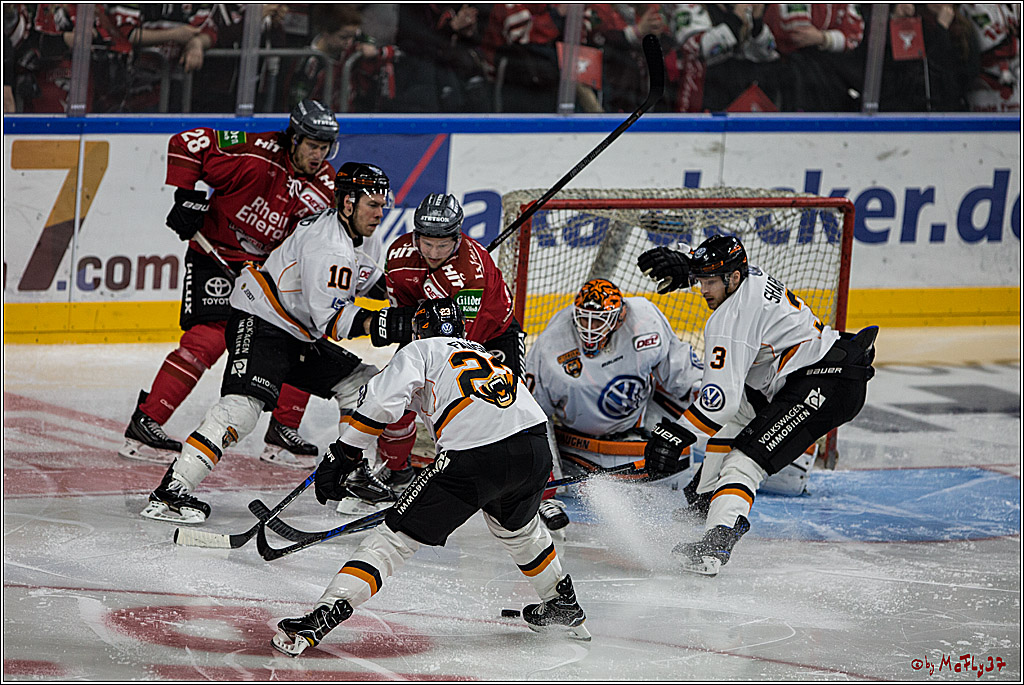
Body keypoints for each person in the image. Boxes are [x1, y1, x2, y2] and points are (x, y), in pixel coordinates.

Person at [271, 297, 590, 657]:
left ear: (419, 330)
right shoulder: (484, 354)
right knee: (518, 530)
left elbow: (380, 404)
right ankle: (561, 603)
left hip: (474, 454)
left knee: (394, 538)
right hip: (535, 447)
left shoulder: (420, 350)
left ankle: (322, 615)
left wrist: (343, 453)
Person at [140, 161, 407, 525]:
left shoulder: (358, 232)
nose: (380, 213)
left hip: (294, 331)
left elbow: (374, 282)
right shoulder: (327, 246)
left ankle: (349, 477)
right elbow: (333, 321)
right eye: (372, 205)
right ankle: (172, 492)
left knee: (362, 384)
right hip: (262, 322)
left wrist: (413, 304)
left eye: (381, 205)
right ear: (348, 203)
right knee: (240, 411)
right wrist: (394, 324)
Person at [637, 235, 876, 576]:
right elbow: (728, 410)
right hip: (815, 371)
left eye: (709, 282)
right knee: (735, 421)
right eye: (701, 280)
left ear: (733, 278)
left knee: (744, 462)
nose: (703, 290)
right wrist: (690, 265)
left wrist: (677, 435)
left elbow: (719, 402)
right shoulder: (748, 276)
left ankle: (716, 542)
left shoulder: (730, 320)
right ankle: (706, 498)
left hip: (826, 384)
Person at [120, 99, 338, 470]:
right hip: (214, 256)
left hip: (263, 273)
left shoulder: (324, 186)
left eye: (325, 148)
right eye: (313, 146)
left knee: (298, 336)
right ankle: (146, 422)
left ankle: (282, 430)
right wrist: (186, 195)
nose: (318, 155)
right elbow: (188, 142)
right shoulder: (252, 152)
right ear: (294, 138)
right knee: (208, 339)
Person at [336, 192, 528, 517]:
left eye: (443, 245)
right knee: (396, 400)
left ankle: (533, 490)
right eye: (427, 244)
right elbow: (407, 315)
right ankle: (397, 472)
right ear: (415, 237)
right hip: (428, 333)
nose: (434, 253)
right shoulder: (398, 256)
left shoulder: (470, 272)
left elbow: (457, 341)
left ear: (458, 238)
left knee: (510, 409)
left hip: (491, 335)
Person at [524, 278, 704, 529]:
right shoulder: (551, 345)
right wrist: (545, 479)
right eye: (583, 319)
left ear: (619, 318)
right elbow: (534, 415)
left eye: (598, 321)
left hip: (638, 419)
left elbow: (681, 375)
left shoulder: (645, 321)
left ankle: (714, 470)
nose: (589, 329)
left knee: (703, 407)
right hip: (578, 443)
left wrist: (712, 411)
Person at [667, 3, 781, 113]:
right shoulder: (688, 8)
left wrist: (757, 24)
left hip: (742, 100)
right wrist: (735, 19)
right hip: (702, 99)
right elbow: (697, 48)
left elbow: (767, 53)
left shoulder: (743, 8)